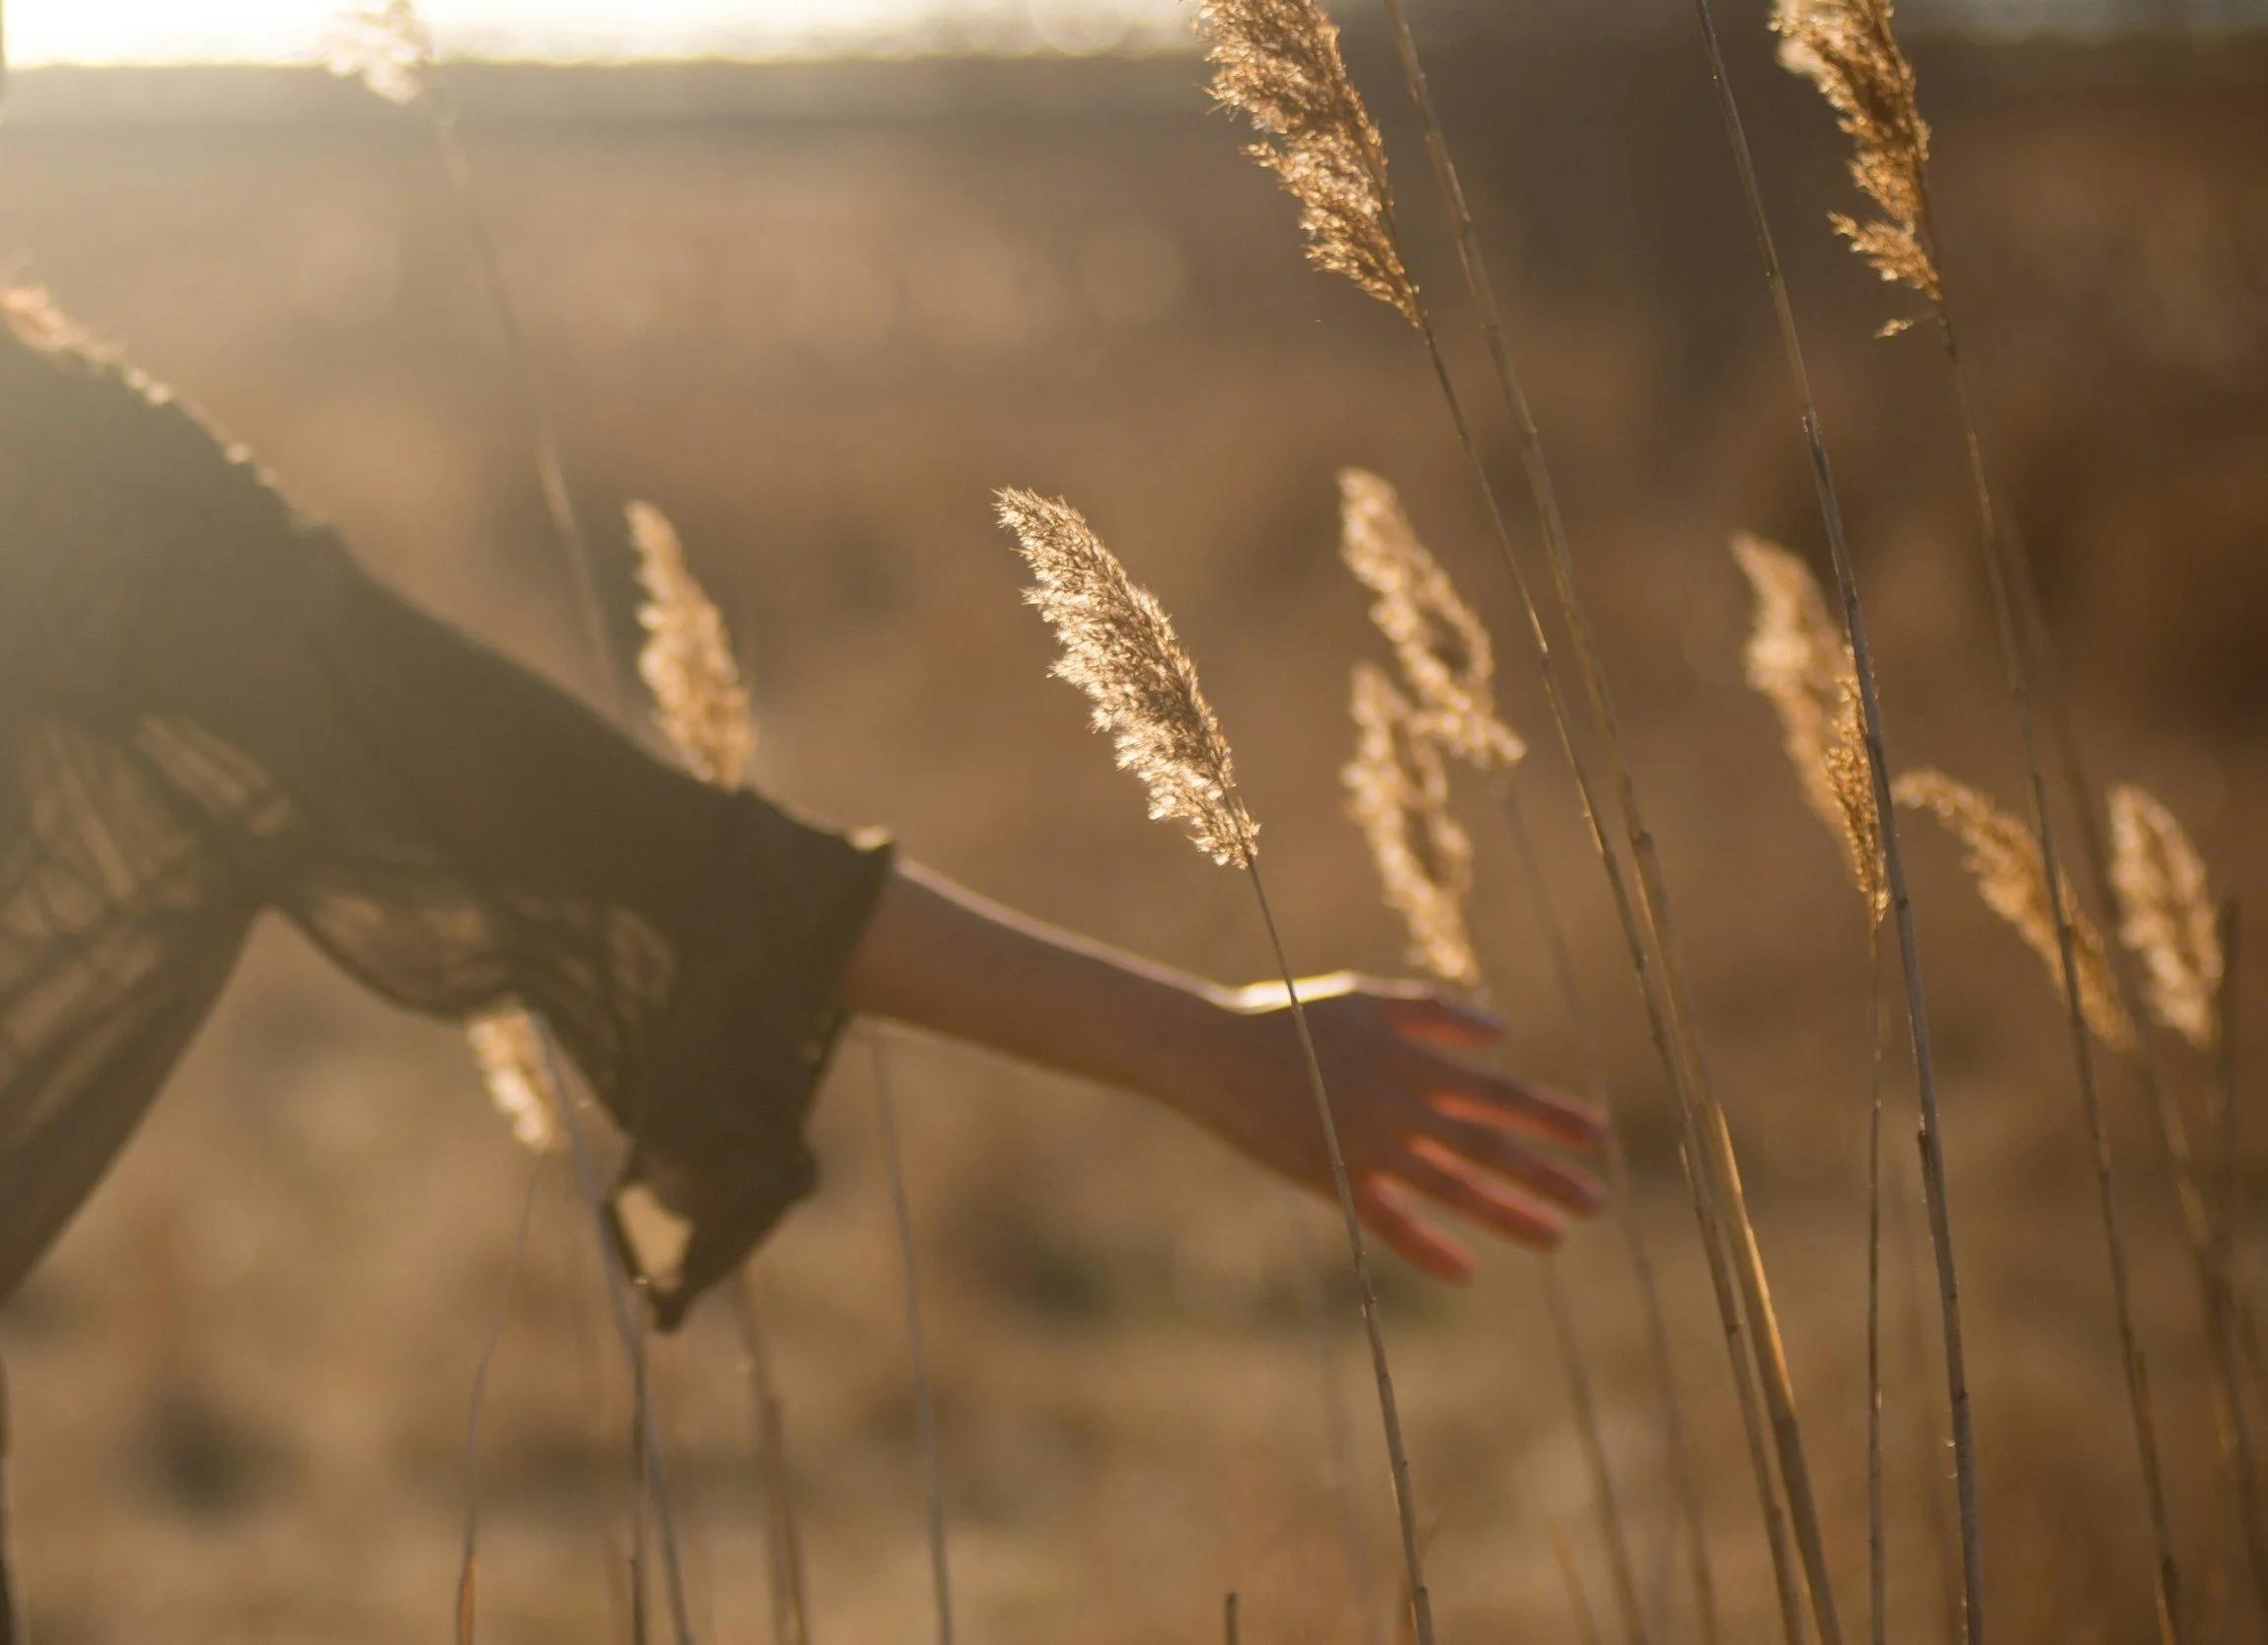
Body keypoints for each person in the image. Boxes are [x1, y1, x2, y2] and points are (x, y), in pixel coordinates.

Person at [0, 289, 1605, 1333]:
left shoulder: (70, 477)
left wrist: (1195, 1038)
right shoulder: (68, 473)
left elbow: (574, 812)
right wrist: (1189, 1038)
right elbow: (596, 822)